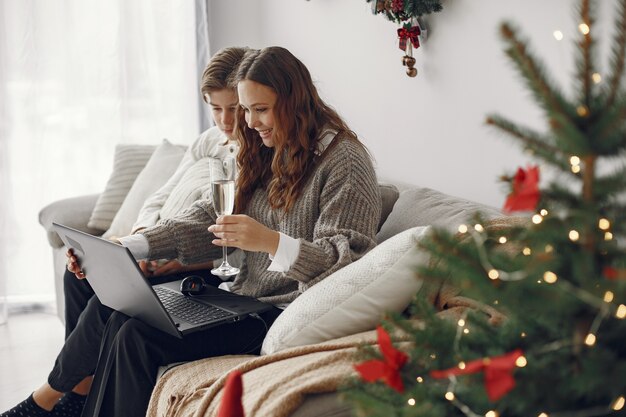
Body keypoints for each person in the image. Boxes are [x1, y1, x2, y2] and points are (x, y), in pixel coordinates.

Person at [0, 46, 382, 417]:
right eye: (246, 110)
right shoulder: (267, 148)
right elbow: (207, 219)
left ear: (295, 102)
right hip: (239, 299)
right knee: (119, 317)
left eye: (260, 110)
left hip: (276, 314)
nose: (248, 123)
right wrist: (133, 245)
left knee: (137, 338)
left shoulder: (344, 161)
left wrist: (269, 242)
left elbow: (348, 261)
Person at [63, 46, 252, 338]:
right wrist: (142, 237)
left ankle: (70, 383)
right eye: (216, 108)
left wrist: (182, 258)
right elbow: (161, 196)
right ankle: (82, 383)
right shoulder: (209, 141)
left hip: (199, 265)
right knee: (78, 274)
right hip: (160, 247)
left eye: (234, 108)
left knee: (115, 305)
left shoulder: (261, 157)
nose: (225, 120)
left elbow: (247, 244)